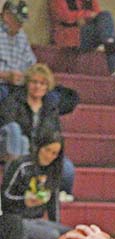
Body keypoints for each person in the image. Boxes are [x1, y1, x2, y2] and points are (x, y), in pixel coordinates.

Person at [1, 128, 70, 239]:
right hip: (16, 219)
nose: (49, 156)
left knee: (69, 234)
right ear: (39, 147)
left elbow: (53, 204)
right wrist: (25, 201)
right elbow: (4, 199)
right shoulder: (20, 165)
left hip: (36, 219)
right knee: (51, 234)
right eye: (47, 150)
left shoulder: (53, 169)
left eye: (54, 153)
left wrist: (55, 222)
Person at [0, 63, 75, 196]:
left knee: (68, 169)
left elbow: (54, 136)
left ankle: (56, 194)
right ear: (27, 83)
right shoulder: (13, 101)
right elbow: (7, 126)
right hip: (12, 147)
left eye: (42, 83)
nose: (38, 86)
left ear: (47, 87)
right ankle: (16, 181)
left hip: (38, 151)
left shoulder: (50, 108)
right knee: (17, 133)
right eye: (34, 82)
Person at [49, 0, 115, 78]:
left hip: (87, 34)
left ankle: (108, 43)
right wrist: (86, 15)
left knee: (106, 15)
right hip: (69, 36)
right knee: (107, 31)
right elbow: (65, 16)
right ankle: (114, 62)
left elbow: (98, 16)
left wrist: (83, 17)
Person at [0, 0, 35, 101]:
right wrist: (6, 75)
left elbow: (31, 64)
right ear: (6, 16)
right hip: (2, 85)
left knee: (55, 96)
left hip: (20, 85)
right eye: (18, 20)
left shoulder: (21, 36)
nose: (21, 25)